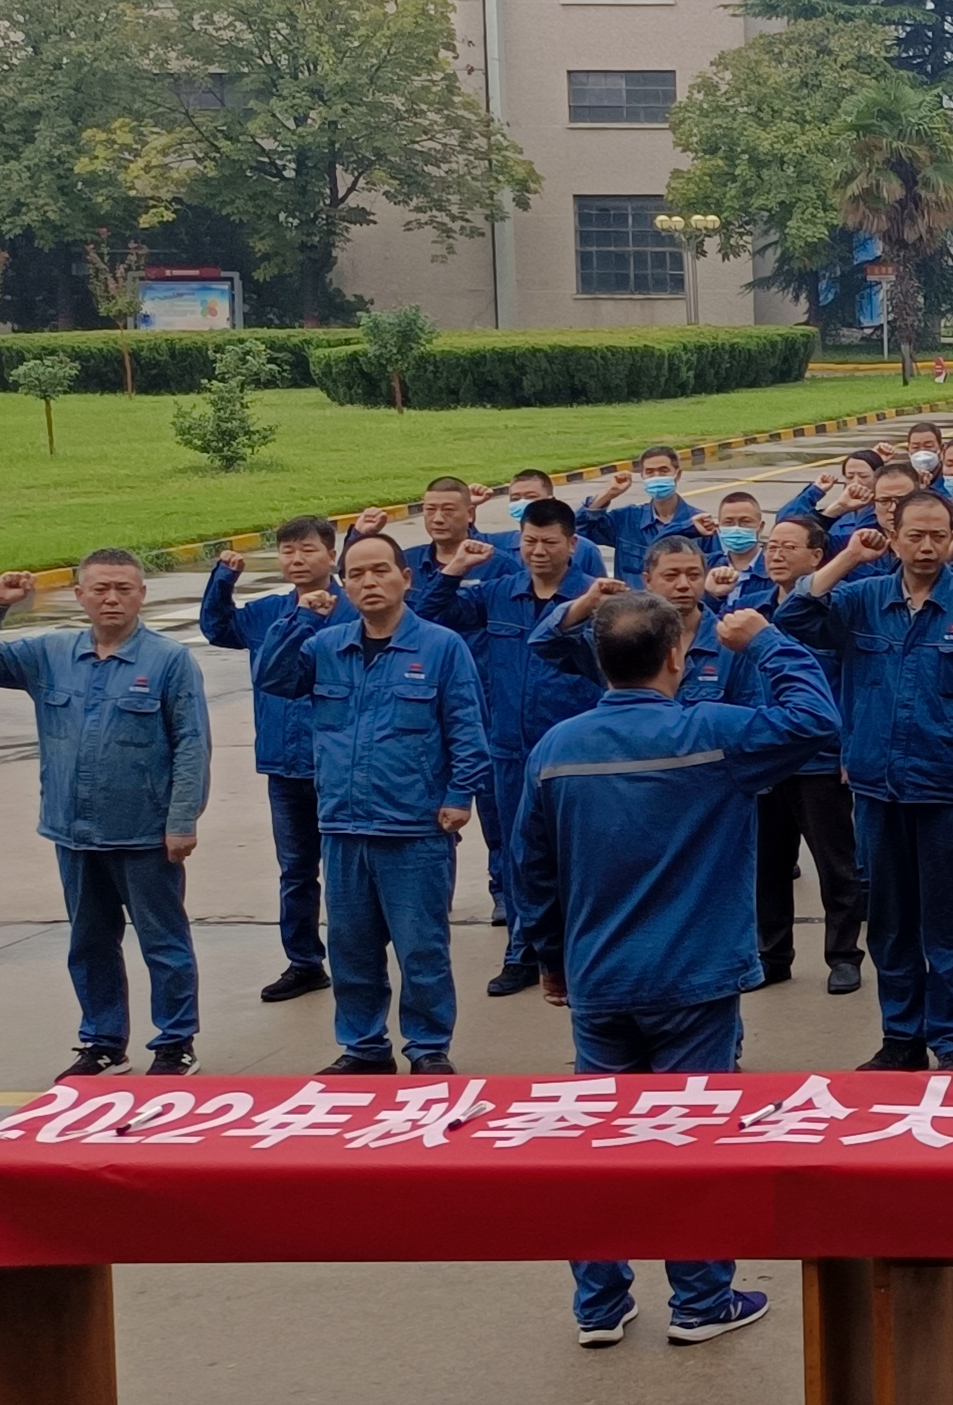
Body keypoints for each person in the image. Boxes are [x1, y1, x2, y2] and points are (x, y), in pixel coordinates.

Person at [514, 592, 842, 1349]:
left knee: (601, 1142)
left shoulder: (556, 749)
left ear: (602, 661)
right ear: (675, 657)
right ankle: (700, 1299)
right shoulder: (711, 734)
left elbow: (533, 868)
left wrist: (551, 958)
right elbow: (815, 723)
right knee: (695, 1137)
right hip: (693, 977)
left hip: (600, 978)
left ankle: (599, 1303)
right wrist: (766, 642)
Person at [774, 494, 953, 1070]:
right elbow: (793, 618)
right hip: (879, 789)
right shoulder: (861, 600)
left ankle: (950, 1042)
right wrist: (849, 558)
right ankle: (901, 1038)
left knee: (946, 924)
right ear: (894, 536)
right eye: (914, 536)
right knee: (888, 921)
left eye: (937, 535)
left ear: (952, 536)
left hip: (948, 789)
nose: (926, 547)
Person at [0, 554, 213, 1078]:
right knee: (90, 941)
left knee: (163, 942)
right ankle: (103, 1042)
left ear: (142, 594)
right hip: (74, 830)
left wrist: (182, 819)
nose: (111, 599)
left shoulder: (168, 661)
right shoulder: (50, 654)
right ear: (80, 595)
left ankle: (175, 1043)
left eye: (123, 589)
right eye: (99, 589)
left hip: (144, 832)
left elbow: (191, 744)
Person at [252, 532, 493, 1075]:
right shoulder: (325, 646)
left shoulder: (440, 647)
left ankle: (428, 1048)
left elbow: (467, 728)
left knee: (422, 949)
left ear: (406, 579)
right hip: (343, 825)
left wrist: (460, 795)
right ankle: (364, 1047)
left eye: (380, 570)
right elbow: (274, 678)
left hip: (415, 827)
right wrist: (300, 619)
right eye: (356, 574)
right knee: (352, 949)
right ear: (344, 585)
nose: (368, 582)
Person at [418, 497, 606, 1000]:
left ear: (572, 545)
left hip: (573, 751)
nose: (538, 551)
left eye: (549, 542)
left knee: (578, 854)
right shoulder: (500, 592)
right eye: (529, 541)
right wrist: (455, 570)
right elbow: (430, 615)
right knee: (516, 855)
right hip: (508, 747)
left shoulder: (595, 597)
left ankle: (581, 952)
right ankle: (524, 953)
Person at [198, 520, 337, 1007]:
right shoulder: (268, 612)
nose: (296, 559)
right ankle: (304, 962)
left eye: (308, 550)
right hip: (284, 764)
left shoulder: (350, 610)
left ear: (331, 556)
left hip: (339, 765)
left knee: (348, 871)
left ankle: (358, 957)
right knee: (296, 870)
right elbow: (219, 629)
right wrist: (223, 580)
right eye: (288, 551)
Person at [746, 516, 867, 993]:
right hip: (766, 757)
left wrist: (849, 749)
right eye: (771, 546)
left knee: (836, 866)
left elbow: (852, 685)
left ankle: (844, 956)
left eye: (788, 547)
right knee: (768, 867)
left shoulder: (832, 613)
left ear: (817, 556)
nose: (775, 554)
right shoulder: (750, 610)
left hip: (819, 760)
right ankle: (773, 955)